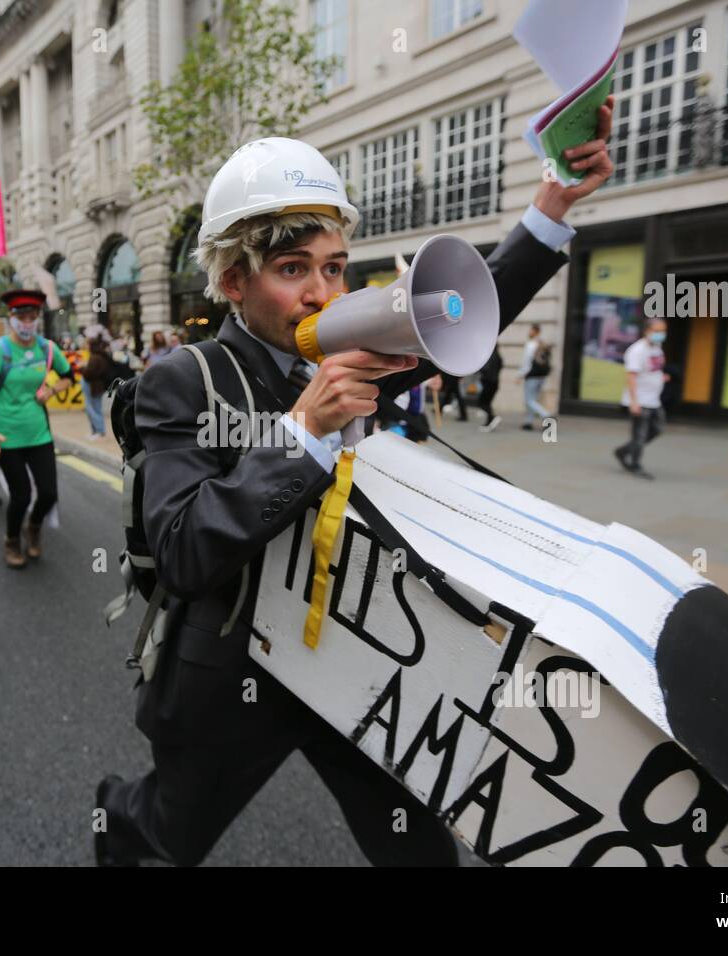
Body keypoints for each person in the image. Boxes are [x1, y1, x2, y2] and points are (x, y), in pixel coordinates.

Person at [96, 117, 614, 867]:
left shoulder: (350, 349)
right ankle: (116, 820)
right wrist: (302, 432)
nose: (322, 294)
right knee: (172, 833)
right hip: (239, 677)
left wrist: (551, 207)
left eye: (334, 269)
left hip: (355, 659)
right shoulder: (186, 378)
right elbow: (183, 551)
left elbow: (462, 305)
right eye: (293, 269)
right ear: (236, 280)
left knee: (417, 848)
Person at [0, 289, 75, 568]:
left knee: (49, 493)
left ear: (38, 318)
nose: (27, 322)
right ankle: (12, 539)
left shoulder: (47, 349)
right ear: (11, 317)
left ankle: (35, 526)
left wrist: (51, 390)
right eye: (22, 316)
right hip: (7, 436)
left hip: (39, 433)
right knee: (21, 496)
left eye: (32, 316)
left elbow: (69, 377)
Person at [613, 318, 669, 479]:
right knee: (640, 435)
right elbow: (631, 377)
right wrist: (634, 402)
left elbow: (653, 368)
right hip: (641, 400)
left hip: (654, 399)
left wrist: (661, 377)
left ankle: (623, 451)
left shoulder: (657, 347)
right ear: (647, 331)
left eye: (663, 331)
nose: (661, 335)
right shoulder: (637, 350)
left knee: (658, 429)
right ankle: (635, 464)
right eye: (657, 331)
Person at [517, 323, 552, 431]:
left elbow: (526, 362)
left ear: (535, 331)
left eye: (531, 330)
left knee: (529, 400)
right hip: (541, 376)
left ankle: (546, 416)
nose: (529, 332)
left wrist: (520, 375)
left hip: (532, 375)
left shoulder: (532, 344)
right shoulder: (542, 343)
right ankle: (528, 422)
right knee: (533, 399)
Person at [81, 335, 113, 440]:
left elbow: (91, 372)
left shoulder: (95, 357)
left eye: (86, 343)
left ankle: (99, 431)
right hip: (95, 386)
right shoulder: (98, 356)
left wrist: (83, 369)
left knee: (94, 408)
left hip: (94, 386)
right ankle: (95, 430)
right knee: (92, 408)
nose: (85, 345)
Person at [477, 347, 503, 431]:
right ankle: (489, 422)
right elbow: (501, 365)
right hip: (494, 383)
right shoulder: (498, 356)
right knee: (487, 403)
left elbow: (485, 369)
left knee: (482, 403)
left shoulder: (488, 357)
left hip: (488, 382)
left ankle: (493, 418)